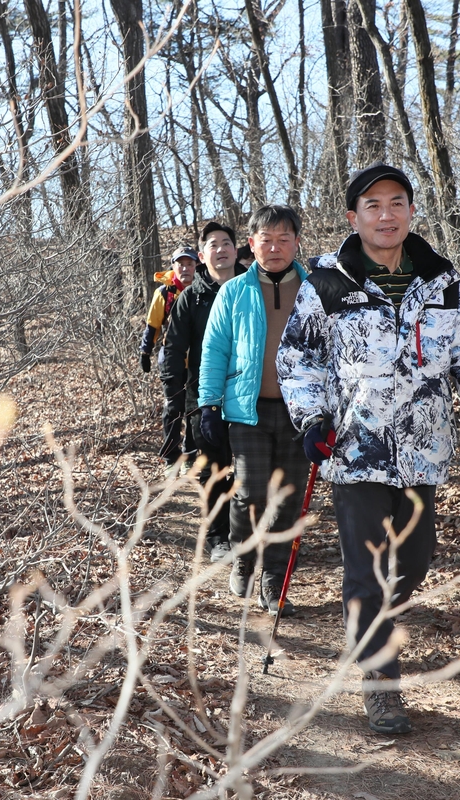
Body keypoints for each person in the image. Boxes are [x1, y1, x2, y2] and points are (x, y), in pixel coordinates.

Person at [276, 163, 460, 734]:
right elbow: (298, 360)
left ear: (411, 211)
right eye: (373, 205)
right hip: (354, 450)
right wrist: (312, 419)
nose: (386, 215)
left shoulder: (444, 281)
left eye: (396, 203)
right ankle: (380, 683)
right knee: (366, 570)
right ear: (353, 217)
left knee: (412, 560)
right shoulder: (327, 283)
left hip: (423, 450)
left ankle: (374, 632)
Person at [198, 205, 311, 616]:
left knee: (287, 502)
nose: (276, 247)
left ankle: (273, 582)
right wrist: (208, 404)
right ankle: (244, 560)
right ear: (252, 244)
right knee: (249, 495)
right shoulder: (234, 292)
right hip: (247, 411)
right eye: (267, 239)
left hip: (303, 413)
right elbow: (214, 351)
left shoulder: (317, 289)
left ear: (297, 242)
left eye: (284, 239)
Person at [161, 222, 244, 562]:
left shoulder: (252, 289)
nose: (221, 249)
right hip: (203, 398)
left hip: (249, 395)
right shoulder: (190, 298)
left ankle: (251, 533)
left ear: (237, 250)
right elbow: (173, 349)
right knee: (213, 469)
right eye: (213, 244)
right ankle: (219, 537)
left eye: (227, 242)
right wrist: (176, 396)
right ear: (201, 255)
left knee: (252, 468)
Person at [140, 246, 199, 469]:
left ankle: (190, 455)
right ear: (173, 266)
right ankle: (170, 457)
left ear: (197, 266)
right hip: (171, 359)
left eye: (190, 264)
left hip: (199, 358)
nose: (185, 268)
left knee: (194, 409)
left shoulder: (204, 289)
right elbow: (152, 326)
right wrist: (145, 352)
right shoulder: (163, 293)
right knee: (174, 408)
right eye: (180, 264)